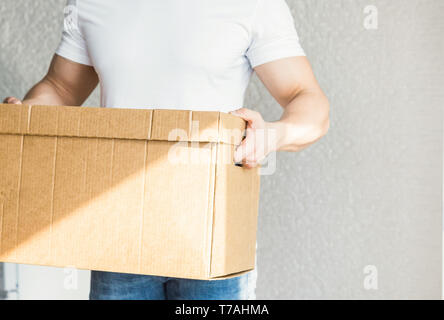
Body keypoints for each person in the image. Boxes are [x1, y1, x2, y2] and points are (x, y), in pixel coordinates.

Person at [3, 0, 329, 300]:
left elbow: (307, 99)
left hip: (213, 235)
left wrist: (273, 135)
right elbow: (61, 87)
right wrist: (27, 112)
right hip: (117, 232)